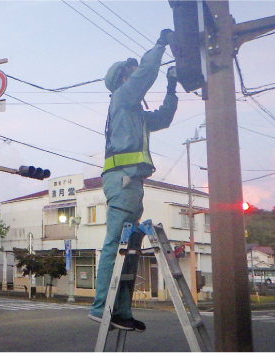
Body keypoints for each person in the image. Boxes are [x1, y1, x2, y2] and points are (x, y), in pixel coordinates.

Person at [88, 29, 179, 332]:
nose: (135, 74)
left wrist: (171, 85)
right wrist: (159, 45)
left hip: (132, 184)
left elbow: (164, 118)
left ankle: (120, 310)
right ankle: (102, 308)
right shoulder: (122, 96)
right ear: (122, 79)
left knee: (129, 250)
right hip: (123, 181)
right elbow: (143, 76)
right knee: (116, 246)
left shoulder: (135, 114)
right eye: (131, 72)